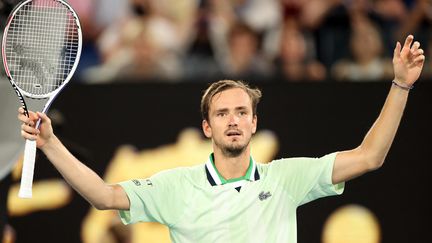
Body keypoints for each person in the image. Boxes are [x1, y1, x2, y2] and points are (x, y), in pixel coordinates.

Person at [17, 35, 424, 242]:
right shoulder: (176, 185)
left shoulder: (285, 178)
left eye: (241, 112)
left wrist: (400, 86)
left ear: (253, 124)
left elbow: (370, 156)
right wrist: (50, 142)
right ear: (207, 127)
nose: (233, 120)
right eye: (223, 113)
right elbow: (104, 197)